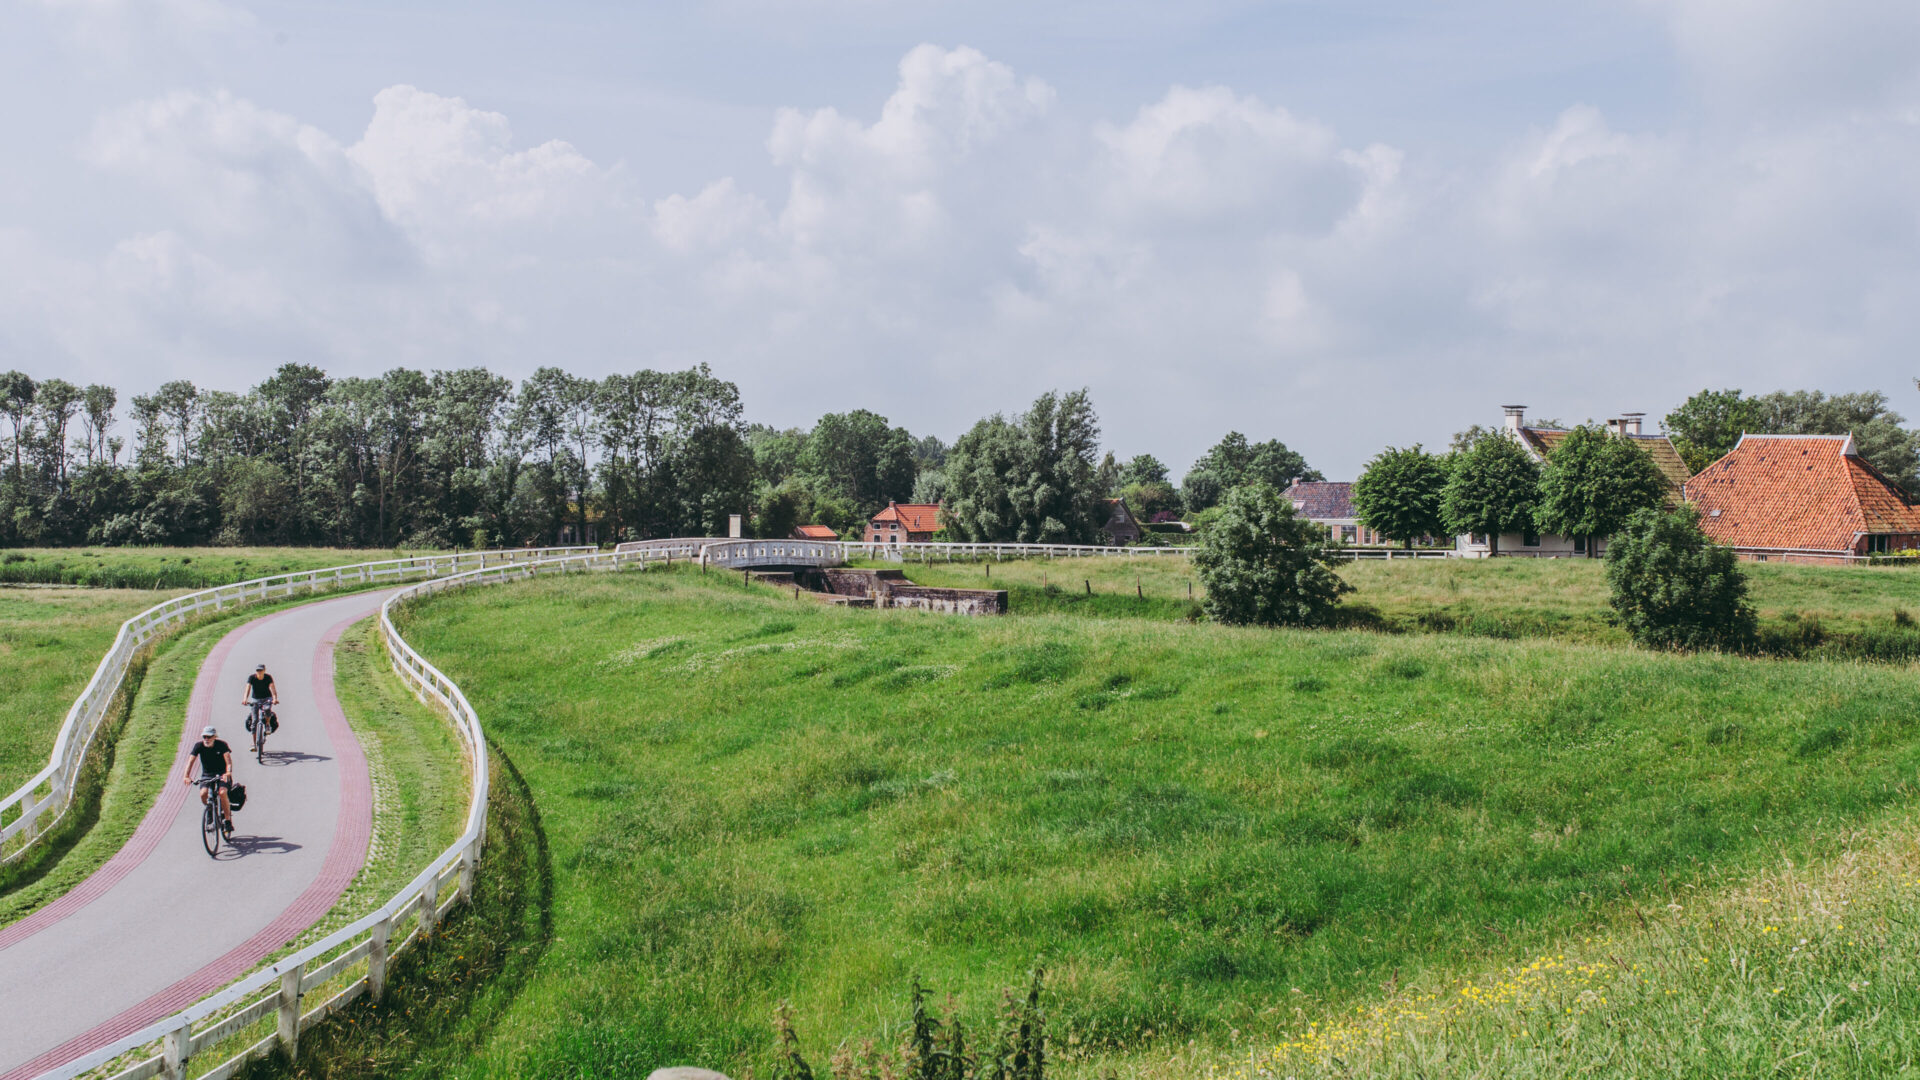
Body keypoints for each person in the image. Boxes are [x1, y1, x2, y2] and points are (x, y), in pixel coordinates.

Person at [184, 725, 234, 836]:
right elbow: (190, 761)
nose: (206, 739)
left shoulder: (222, 745)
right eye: (204, 737)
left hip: (222, 774)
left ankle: (227, 821)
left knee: (222, 792)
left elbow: (228, 762)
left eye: (209, 737)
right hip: (207, 774)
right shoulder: (198, 746)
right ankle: (210, 809)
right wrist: (186, 776)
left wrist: (228, 772)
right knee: (203, 793)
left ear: (214, 737)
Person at [243, 663, 278, 731]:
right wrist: (245, 699)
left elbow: (273, 690)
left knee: (267, 709)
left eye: (261, 670)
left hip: (267, 698)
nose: (259, 672)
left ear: (264, 670)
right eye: (258, 670)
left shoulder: (268, 677)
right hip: (256, 699)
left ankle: (267, 724)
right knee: (255, 719)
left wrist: (275, 699)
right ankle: (254, 733)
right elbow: (247, 689)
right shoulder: (252, 678)